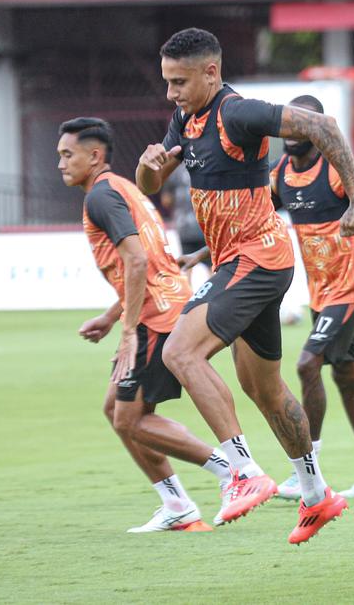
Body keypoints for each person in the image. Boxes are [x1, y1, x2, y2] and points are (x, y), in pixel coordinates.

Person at [136, 27, 354, 544]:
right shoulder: (185, 118)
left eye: (179, 81)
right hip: (237, 262)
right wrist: (148, 168)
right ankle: (316, 493)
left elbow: (321, 124)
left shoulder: (238, 112)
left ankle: (242, 472)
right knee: (262, 386)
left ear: (211, 72)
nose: (171, 92)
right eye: (167, 81)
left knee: (181, 353)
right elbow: (151, 183)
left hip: (257, 259)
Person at [58, 117, 233, 533]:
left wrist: (129, 331)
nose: (61, 163)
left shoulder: (100, 197)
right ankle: (176, 503)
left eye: (68, 154)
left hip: (156, 318)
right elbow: (147, 264)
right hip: (167, 305)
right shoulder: (124, 188)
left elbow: (137, 261)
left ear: (94, 156)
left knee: (129, 419)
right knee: (114, 409)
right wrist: (111, 315)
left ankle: (234, 470)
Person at [268, 95, 354, 499]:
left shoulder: (339, 170)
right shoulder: (281, 175)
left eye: (300, 125)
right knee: (344, 373)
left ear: (317, 127)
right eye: (288, 125)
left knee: (308, 364)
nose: (290, 133)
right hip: (321, 293)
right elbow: (254, 218)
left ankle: (308, 473)